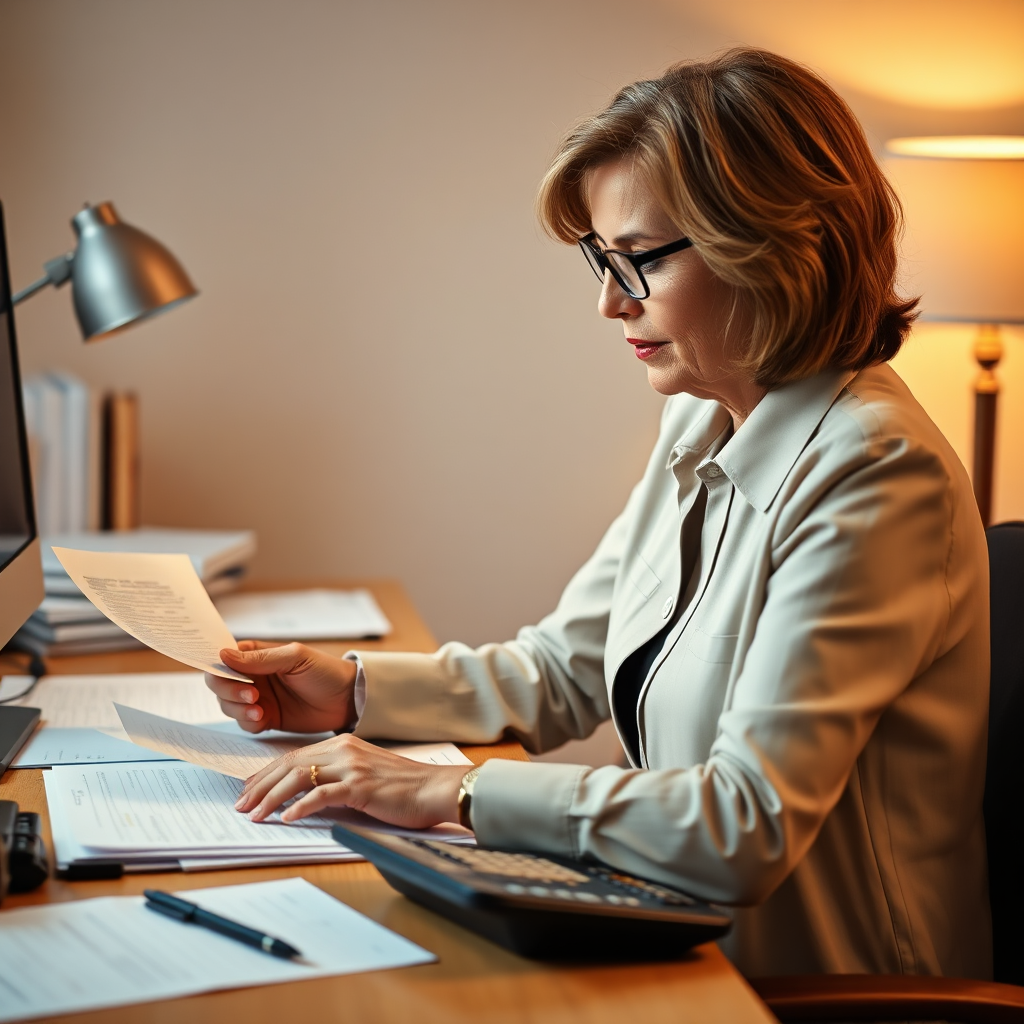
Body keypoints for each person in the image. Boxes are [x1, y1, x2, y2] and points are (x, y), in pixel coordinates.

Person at [206, 48, 991, 978]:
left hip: (812, 990)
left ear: (782, 244)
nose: (612, 302)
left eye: (640, 261)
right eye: (601, 261)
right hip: (668, 932)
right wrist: (355, 692)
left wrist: (451, 793)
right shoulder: (702, 417)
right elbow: (560, 671)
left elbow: (745, 825)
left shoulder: (877, 472)